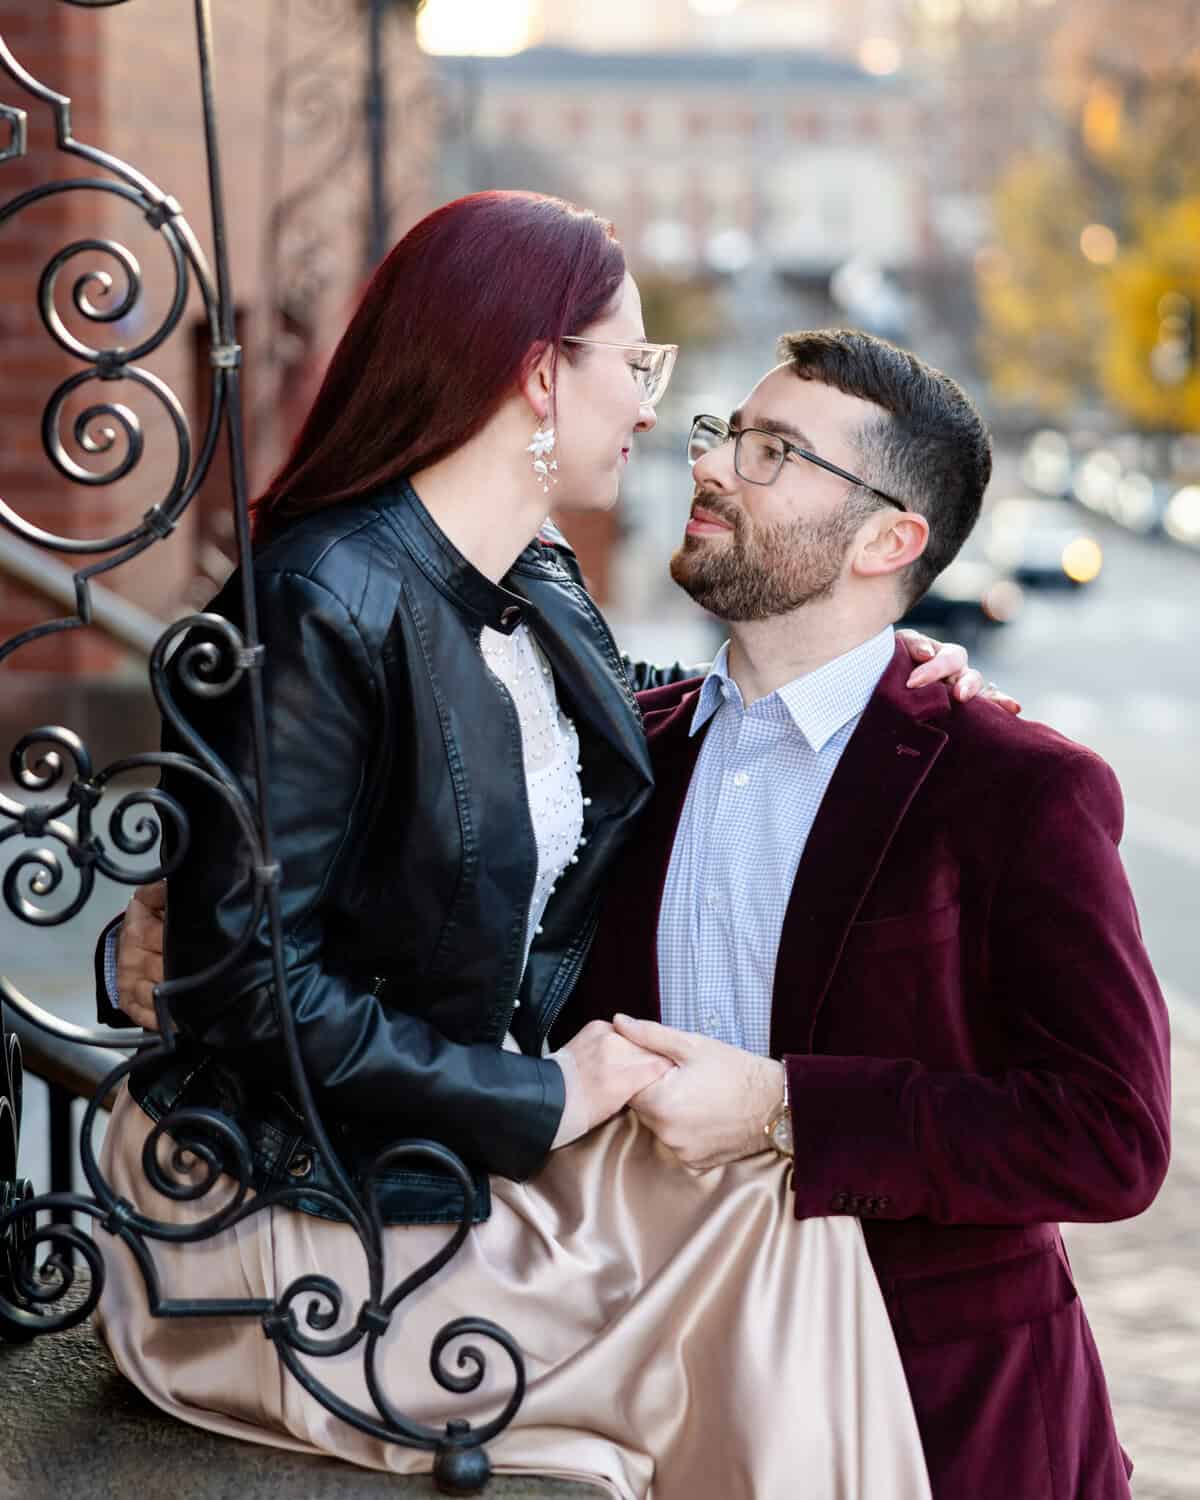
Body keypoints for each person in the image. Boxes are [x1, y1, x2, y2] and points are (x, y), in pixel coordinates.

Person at [93, 192, 1007, 1498]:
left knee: (793, 1204)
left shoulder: (532, 572)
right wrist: (544, 1096)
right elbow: (251, 991)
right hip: (268, 1200)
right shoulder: (314, 598)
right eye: (635, 368)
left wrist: (888, 676)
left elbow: (606, 735)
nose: (657, 417)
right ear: (537, 375)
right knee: (740, 1314)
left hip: (421, 1153)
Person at [560, 329, 1172, 1500]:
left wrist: (787, 1107)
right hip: (659, 1391)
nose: (715, 467)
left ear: (891, 538)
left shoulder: (1014, 785)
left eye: (775, 451)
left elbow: (1112, 1138)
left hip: (938, 1419)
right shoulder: (624, 755)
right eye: (728, 434)